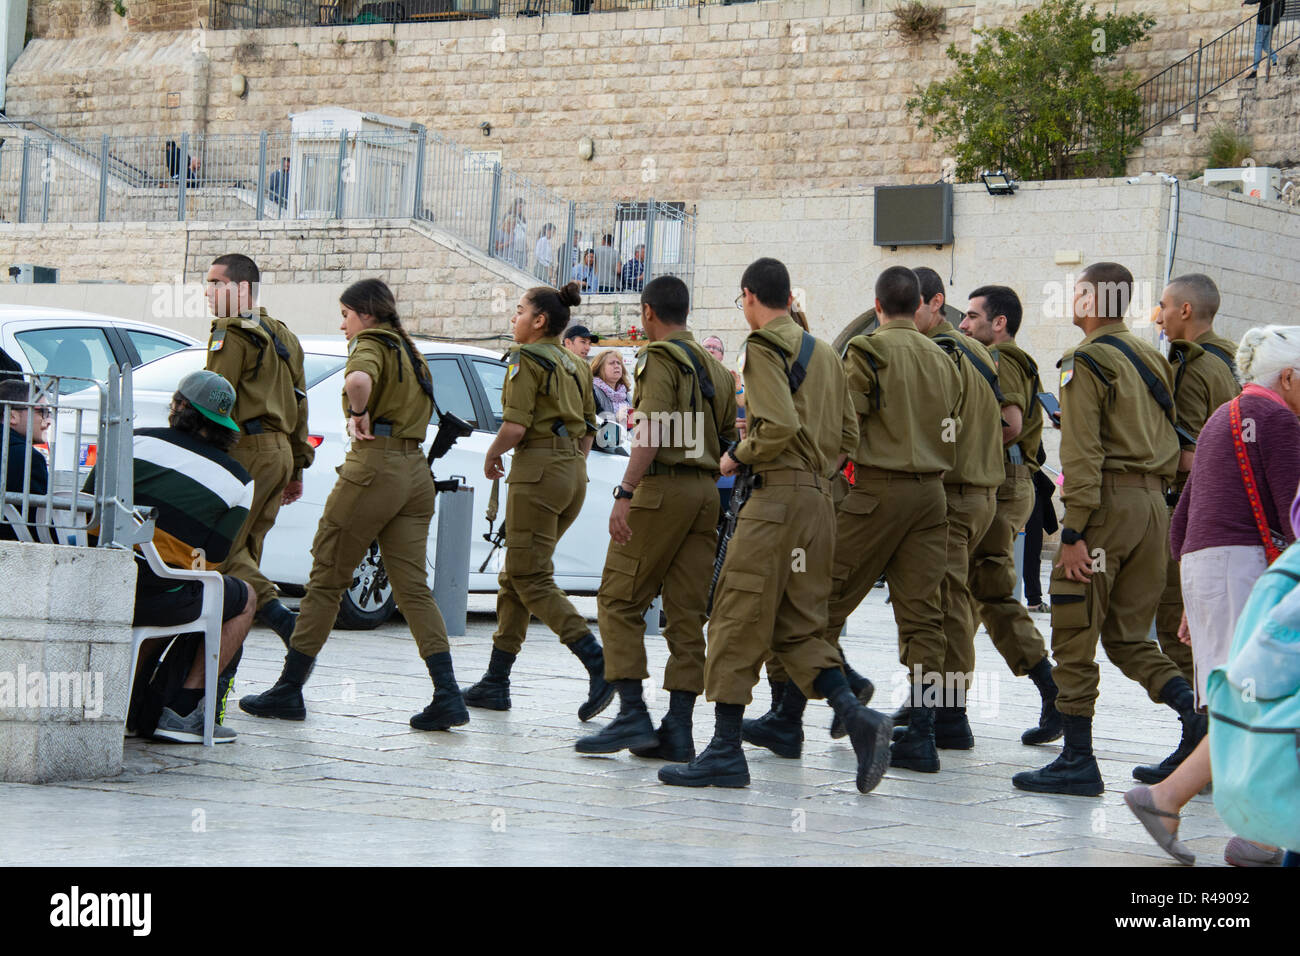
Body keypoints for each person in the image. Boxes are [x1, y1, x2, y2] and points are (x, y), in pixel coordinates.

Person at [659, 257, 892, 793]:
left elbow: (778, 426)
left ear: (749, 296)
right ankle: (857, 717)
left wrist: (736, 455)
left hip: (776, 501)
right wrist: (815, 476)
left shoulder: (765, 347)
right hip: (818, 503)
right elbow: (850, 436)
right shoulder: (828, 355)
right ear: (789, 296)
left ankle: (723, 750)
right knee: (795, 625)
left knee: (735, 615)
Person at [239, 279, 470, 732]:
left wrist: (359, 411)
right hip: (414, 473)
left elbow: (359, 379)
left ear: (365, 314)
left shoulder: (369, 343)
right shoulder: (409, 349)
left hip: (374, 468)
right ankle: (447, 694)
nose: (341, 324)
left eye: (345, 315)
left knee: (328, 578)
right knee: (412, 588)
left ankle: (289, 689)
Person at [752, 267, 959, 771]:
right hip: (931, 495)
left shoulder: (868, 351)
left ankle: (789, 715)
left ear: (877, 304)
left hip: (874, 491)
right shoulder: (945, 358)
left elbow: (848, 422)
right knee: (924, 618)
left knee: (816, 603)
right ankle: (924, 734)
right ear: (919, 306)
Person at [1012, 262, 1197, 796]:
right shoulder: (1149, 358)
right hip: (1152, 507)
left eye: (1077, 293)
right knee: (1127, 636)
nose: (1072, 302)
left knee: (1074, 627)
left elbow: (1084, 453)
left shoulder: (1085, 360)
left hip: (1107, 511)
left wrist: (1073, 535)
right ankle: (1196, 718)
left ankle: (1078, 758)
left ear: (1092, 299)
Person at [1125, 325, 1300, 866]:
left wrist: (1191, 595)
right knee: (1255, 697)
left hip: (1209, 565)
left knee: (1250, 695)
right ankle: (1189, 807)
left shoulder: (1221, 416)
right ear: (1290, 377)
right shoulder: (1279, 420)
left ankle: (1258, 833)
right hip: (1247, 565)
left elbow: (1184, 517)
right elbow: (1295, 508)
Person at [575, 275, 738, 761]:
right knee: (687, 613)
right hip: (706, 493)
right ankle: (679, 728)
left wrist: (625, 490)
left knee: (618, 599)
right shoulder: (717, 369)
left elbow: (650, 430)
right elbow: (730, 432)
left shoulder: (658, 358)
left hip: (662, 488)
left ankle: (630, 713)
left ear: (648, 312)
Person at [462, 281, 615, 721]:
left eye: (519, 311)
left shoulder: (526, 360)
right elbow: (590, 427)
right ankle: (497, 679)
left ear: (540, 320)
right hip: (570, 474)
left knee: (530, 576)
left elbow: (515, 427)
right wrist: (572, 465)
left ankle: (596, 660)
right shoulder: (573, 362)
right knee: (517, 574)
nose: (514, 318)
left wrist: (492, 455)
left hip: (539, 474)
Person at [891, 266, 1002, 760]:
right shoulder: (976, 351)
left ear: (934, 303)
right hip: (977, 489)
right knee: (947, 598)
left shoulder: (942, 354)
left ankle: (948, 712)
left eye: (912, 303)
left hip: (954, 492)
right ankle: (930, 702)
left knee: (943, 603)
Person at [109, 371, 256, 744]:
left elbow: (94, 509)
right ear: (223, 424)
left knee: (162, 586)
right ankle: (184, 712)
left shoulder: (133, 442)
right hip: (161, 597)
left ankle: (120, 702)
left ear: (177, 407)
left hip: (103, 582)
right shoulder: (239, 481)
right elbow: (212, 559)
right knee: (240, 597)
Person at [959, 284, 1063, 746]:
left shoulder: (1004, 359)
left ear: (998, 323)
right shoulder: (996, 358)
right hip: (1001, 483)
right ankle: (939, 704)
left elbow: (1010, 426)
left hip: (1002, 483)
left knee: (972, 596)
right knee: (983, 594)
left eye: (973, 317)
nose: (964, 325)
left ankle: (942, 708)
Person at [1146, 272, 1240, 766]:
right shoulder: (1230, 358)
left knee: (1176, 628)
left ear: (1185, 311)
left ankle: (1200, 746)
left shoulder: (1189, 364)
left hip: (1190, 507)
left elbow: (1187, 452)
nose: (1157, 317)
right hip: (1229, 518)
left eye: (1162, 307)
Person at [203, 254, 313, 651]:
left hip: (246, 449)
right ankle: (228, 660)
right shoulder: (284, 335)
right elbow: (301, 403)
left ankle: (279, 615)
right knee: (248, 552)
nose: (208, 292)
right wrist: (298, 465)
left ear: (243, 290)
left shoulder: (230, 332)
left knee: (220, 548)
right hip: (279, 451)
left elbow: (213, 398)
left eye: (218, 284)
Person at [0, 378, 50, 541]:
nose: (47, 420)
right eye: (40, 411)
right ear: (12, 416)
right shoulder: (28, 458)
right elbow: (38, 525)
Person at [590, 349, 632, 427]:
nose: (616, 366)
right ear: (600, 368)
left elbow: (631, 426)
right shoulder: (593, 391)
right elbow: (591, 423)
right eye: (612, 363)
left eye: (619, 363)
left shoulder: (625, 393)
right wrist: (615, 418)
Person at [1244, 0, 1284, 78]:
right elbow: (1282, 10)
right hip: (1273, 22)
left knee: (1258, 44)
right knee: (1265, 45)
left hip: (1263, 22)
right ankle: (1275, 60)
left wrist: (1246, 2)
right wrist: (1276, 17)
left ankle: (1255, 70)